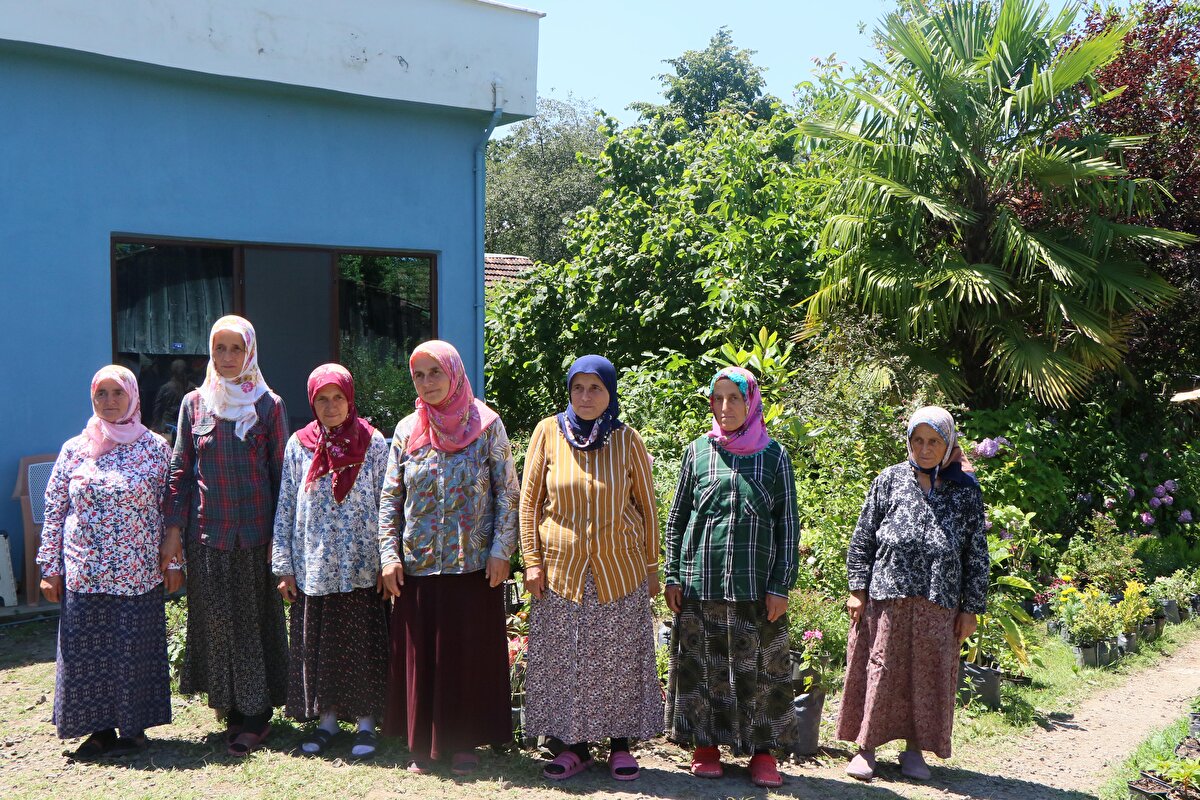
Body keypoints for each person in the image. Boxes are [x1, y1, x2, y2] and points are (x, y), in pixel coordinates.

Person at [519, 355, 663, 782]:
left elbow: (648, 508)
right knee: (567, 660)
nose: (585, 397)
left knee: (619, 659)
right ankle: (573, 747)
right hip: (561, 569)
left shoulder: (627, 439)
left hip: (619, 569)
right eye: (578, 388)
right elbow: (528, 504)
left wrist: (653, 568)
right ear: (568, 391)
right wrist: (531, 561)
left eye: (595, 388)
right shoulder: (547, 433)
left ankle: (620, 745)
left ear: (610, 393)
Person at [378, 340, 518, 775]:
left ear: (454, 372)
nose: (427, 383)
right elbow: (390, 499)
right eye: (419, 375)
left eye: (435, 372)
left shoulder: (487, 423)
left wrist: (500, 550)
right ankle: (422, 743)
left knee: (466, 654)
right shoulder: (407, 429)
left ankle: (463, 743)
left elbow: (507, 493)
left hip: (473, 565)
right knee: (425, 656)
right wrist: (389, 555)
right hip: (419, 565)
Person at [662, 366, 800, 788]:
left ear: (750, 402)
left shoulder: (774, 457)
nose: (725, 408)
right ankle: (704, 746)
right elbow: (678, 517)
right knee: (701, 668)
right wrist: (672, 574)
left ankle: (763, 754)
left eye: (734, 399)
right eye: (718, 399)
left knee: (761, 670)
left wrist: (780, 586)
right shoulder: (698, 452)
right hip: (700, 585)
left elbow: (788, 526)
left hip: (756, 589)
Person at [837, 405, 989, 781]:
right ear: (908, 442)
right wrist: (857, 589)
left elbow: (977, 554)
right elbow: (862, 539)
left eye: (934, 441)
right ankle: (866, 749)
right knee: (880, 669)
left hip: (938, 603)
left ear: (948, 443)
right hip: (885, 598)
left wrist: (970, 609)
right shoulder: (889, 480)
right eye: (918, 440)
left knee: (927, 676)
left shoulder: (965, 491)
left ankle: (915, 751)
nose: (925, 448)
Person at [37, 365, 181, 759]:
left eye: (117, 393)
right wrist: (50, 567)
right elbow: (54, 509)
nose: (109, 401)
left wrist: (172, 564)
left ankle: (134, 730)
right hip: (85, 569)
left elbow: (170, 511)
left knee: (133, 650)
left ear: (132, 395)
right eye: (101, 393)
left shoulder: (154, 447)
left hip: (137, 571)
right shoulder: (75, 448)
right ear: (91, 397)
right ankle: (98, 730)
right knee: (87, 653)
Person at [164, 315, 289, 757]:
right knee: (216, 624)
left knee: (252, 623)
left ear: (250, 352)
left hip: (255, 536)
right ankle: (232, 711)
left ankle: (256, 717)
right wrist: (173, 533)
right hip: (206, 536)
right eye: (221, 349)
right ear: (210, 353)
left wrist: (282, 537)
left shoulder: (269, 405)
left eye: (237, 349)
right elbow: (180, 470)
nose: (228, 357)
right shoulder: (195, 404)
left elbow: (282, 476)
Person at [272, 364, 390, 759]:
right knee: (320, 647)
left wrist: (389, 560)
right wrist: (283, 565)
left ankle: (366, 723)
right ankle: (326, 721)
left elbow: (389, 507)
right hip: (314, 566)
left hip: (362, 566)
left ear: (350, 398)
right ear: (312, 402)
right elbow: (286, 506)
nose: (331, 406)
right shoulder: (298, 445)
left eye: (338, 397)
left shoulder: (374, 444)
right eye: (322, 398)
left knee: (361, 645)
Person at [153, 358, 196, 443]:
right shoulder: (193, 388)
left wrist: (156, 426)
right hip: (183, 427)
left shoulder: (166, 388)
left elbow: (158, 409)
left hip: (168, 426)